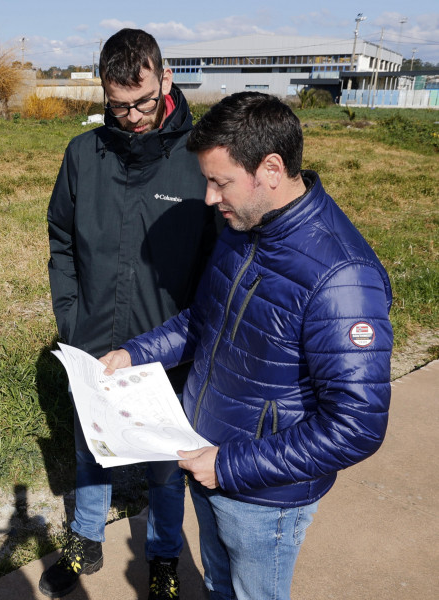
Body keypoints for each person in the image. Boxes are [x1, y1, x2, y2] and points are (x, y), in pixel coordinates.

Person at [100, 92, 393, 600]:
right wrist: (135, 353)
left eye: (220, 181)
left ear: (271, 169)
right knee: (218, 586)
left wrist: (230, 465)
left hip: (263, 497)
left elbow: (357, 425)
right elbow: (204, 320)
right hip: (205, 458)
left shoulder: (344, 277)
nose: (210, 198)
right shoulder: (244, 227)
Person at [44, 28, 219, 600]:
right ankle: (85, 535)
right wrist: (72, 319)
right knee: (91, 445)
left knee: (168, 464)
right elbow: (62, 241)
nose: (133, 116)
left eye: (142, 101)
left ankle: (164, 554)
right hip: (93, 336)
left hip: (168, 346)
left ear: (165, 80)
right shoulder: (82, 155)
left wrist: (192, 337)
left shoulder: (198, 160)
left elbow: (218, 260)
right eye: (118, 106)